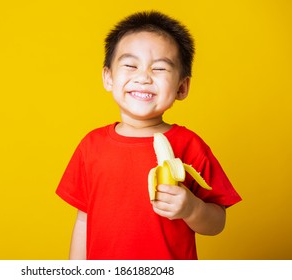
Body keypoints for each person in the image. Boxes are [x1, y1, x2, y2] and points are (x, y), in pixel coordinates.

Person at [56, 10, 242, 260]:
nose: (143, 77)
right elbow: (83, 221)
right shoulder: (91, 146)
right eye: (131, 65)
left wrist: (192, 209)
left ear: (182, 87)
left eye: (160, 68)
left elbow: (217, 222)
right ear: (108, 77)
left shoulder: (189, 145)